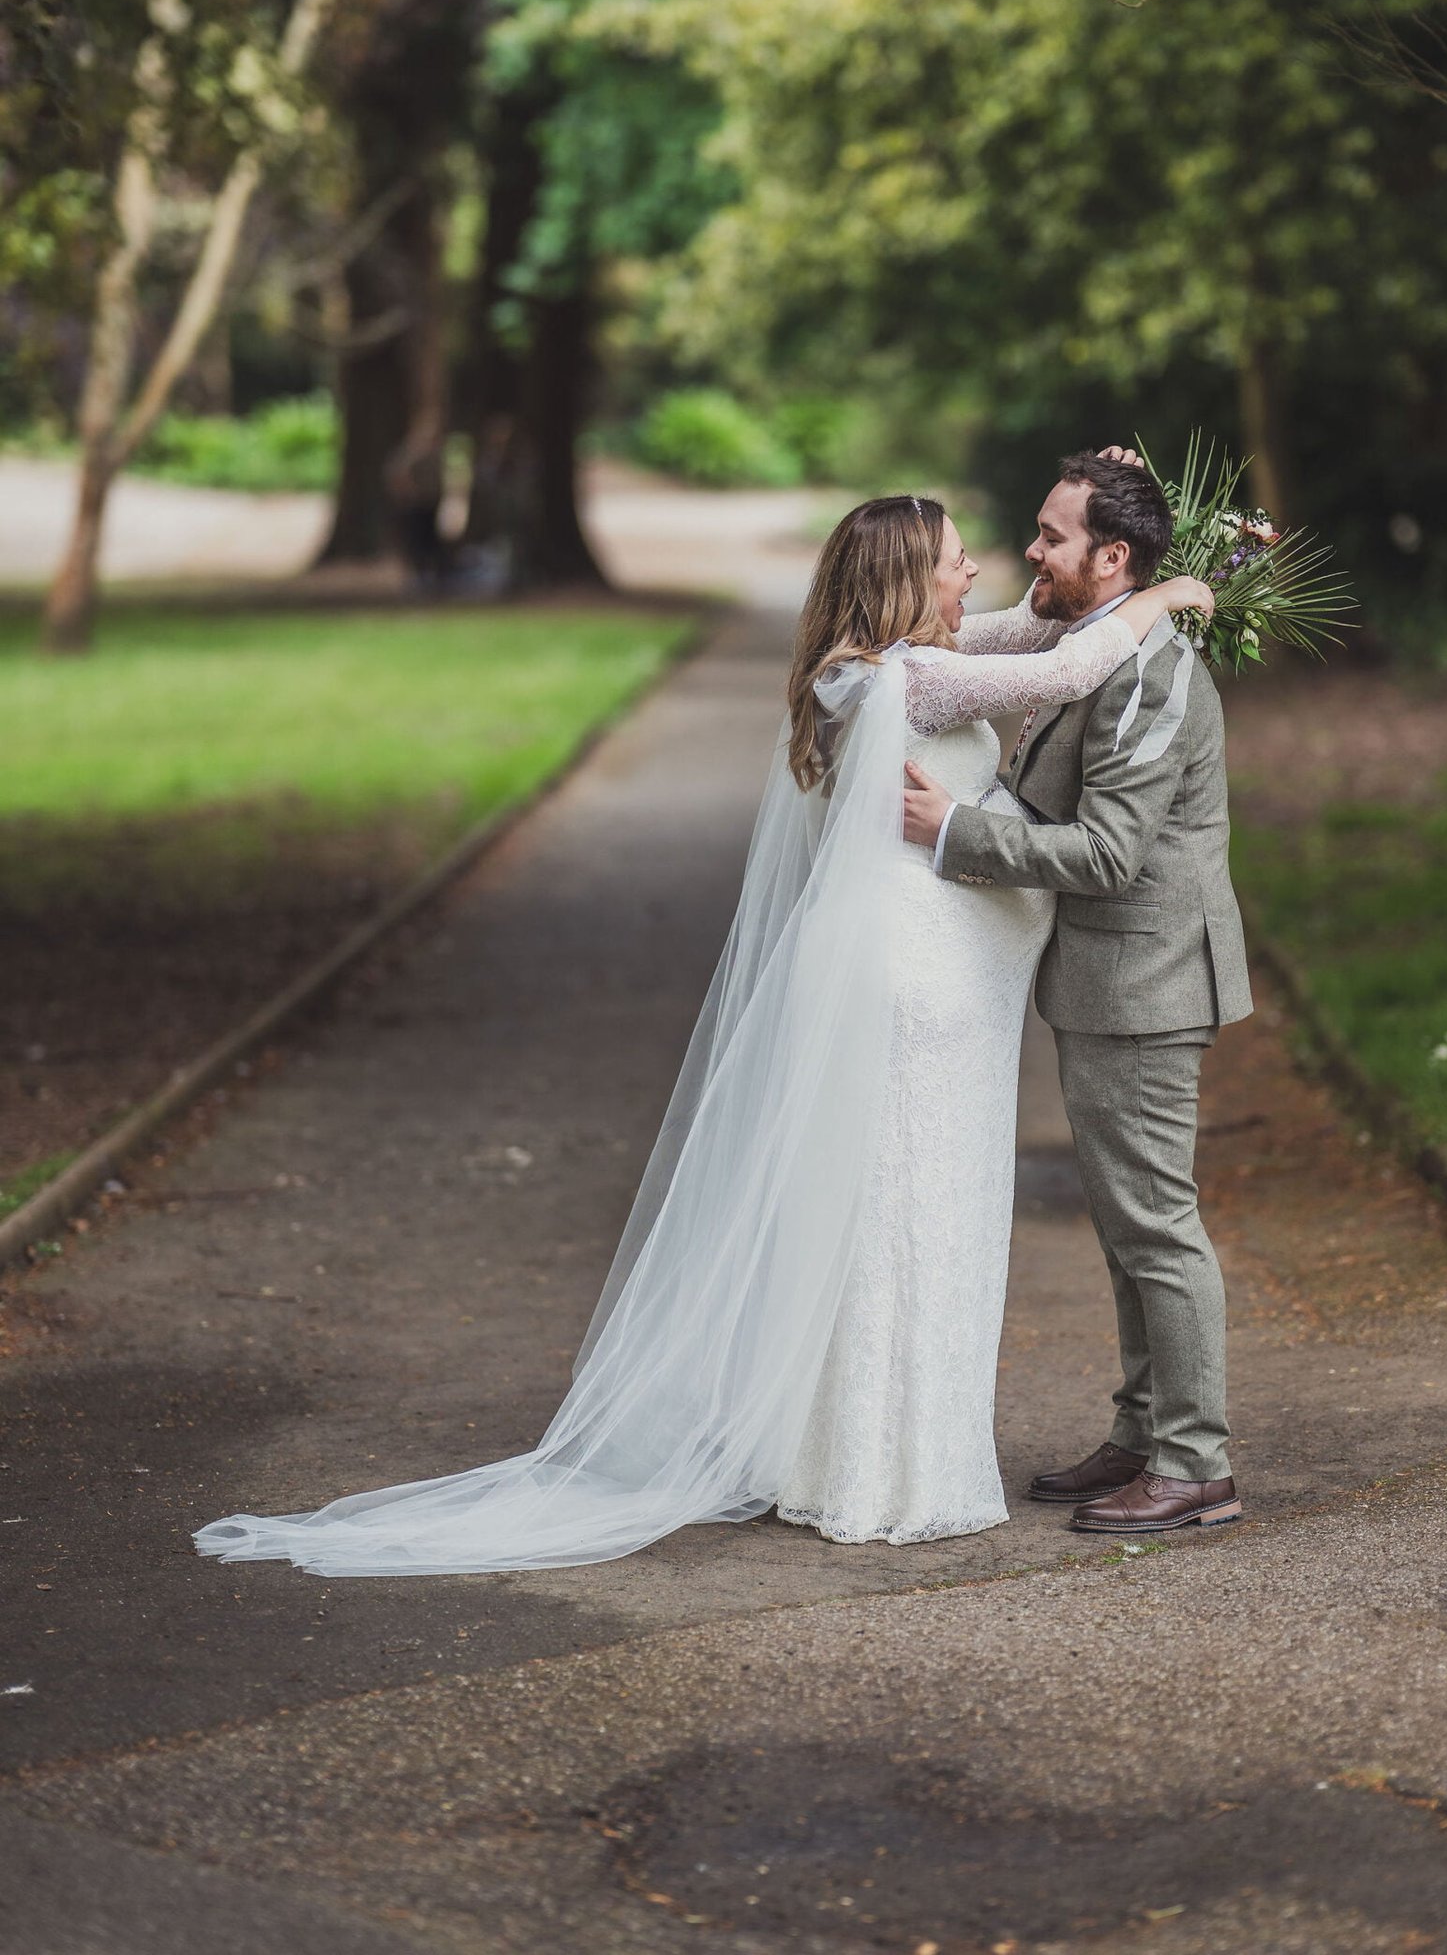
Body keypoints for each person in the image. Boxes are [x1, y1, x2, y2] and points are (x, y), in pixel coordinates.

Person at [194, 476, 1210, 1574]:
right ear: (909, 586)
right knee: (911, 1223)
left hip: (927, 987)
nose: (981, 571)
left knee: (887, 1222)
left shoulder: (867, 669)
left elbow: (1030, 635)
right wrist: (1174, 594)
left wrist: (1122, 592)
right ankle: (894, 1468)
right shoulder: (911, 679)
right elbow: (1057, 666)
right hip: (922, 994)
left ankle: (854, 1457)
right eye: (956, 560)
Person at [903, 452, 1252, 1535]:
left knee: (1156, 1226)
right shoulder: (1086, 634)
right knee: (1124, 1224)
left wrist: (953, 831)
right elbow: (1006, 647)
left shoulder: (1148, 673)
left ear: (1112, 558)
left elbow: (1106, 853)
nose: (1030, 553)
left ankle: (1195, 1464)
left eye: (1051, 538)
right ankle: (1143, 1431)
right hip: (1106, 980)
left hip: (1146, 982)